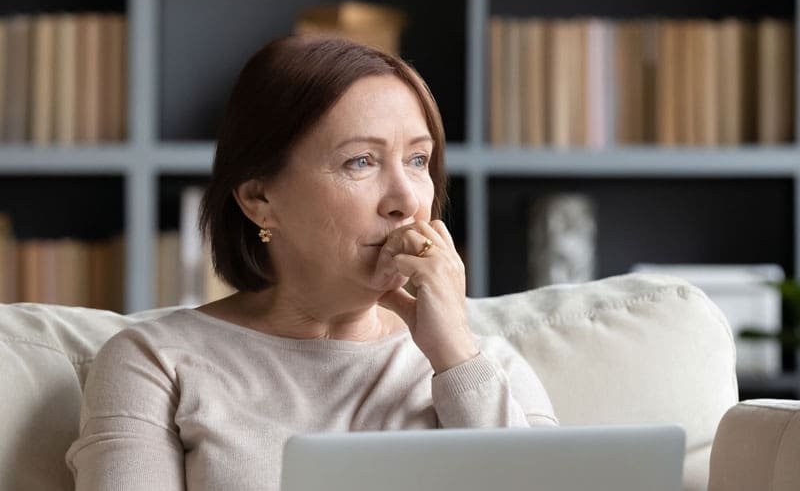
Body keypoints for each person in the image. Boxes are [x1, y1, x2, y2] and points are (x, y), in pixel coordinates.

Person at [66, 35, 557, 490]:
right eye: (360, 161)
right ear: (259, 197)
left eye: (417, 160)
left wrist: (454, 356)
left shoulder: (487, 368)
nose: (406, 200)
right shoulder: (153, 362)